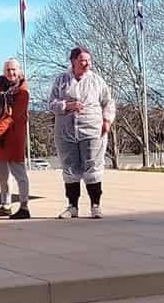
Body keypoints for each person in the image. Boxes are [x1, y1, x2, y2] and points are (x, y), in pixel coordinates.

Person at [48, 47, 115, 219]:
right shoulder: (61, 80)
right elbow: (51, 104)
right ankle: (72, 206)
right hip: (66, 131)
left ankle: (95, 205)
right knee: (70, 168)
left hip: (92, 130)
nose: (86, 64)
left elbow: (108, 102)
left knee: (92, 167)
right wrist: (66, 106)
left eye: (88, 61)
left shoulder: (97, 81)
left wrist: (107, 120)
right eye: (82, 61)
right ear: (73, 61)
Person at [0, 59, 31, 219]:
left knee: (20, 174)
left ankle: (24, 207)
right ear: (4, 71)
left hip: (13, 138)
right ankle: (6, 205)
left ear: (19, 71)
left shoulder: (22, 92)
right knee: (2, 174)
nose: (11, 73)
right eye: (8, 70)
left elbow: (10, 118)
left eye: (13, 70)